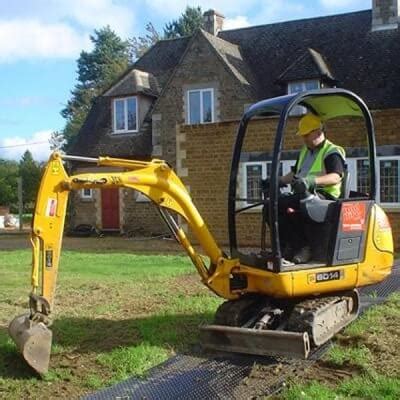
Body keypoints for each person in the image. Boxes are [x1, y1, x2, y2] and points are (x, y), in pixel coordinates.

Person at [276, 113, 345, 264]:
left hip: (325, 197)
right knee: (270, 207)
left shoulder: (331, 151)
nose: (304, 138)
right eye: (303, 135)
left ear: (318, 132)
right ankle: (289, 246)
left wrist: (311, 181)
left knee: (282, 204)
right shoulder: (305, 150)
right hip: (304, 194)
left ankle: (304, 247)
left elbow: (336, 176)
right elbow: (295, 173)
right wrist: (277, 180)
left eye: (307, 135)